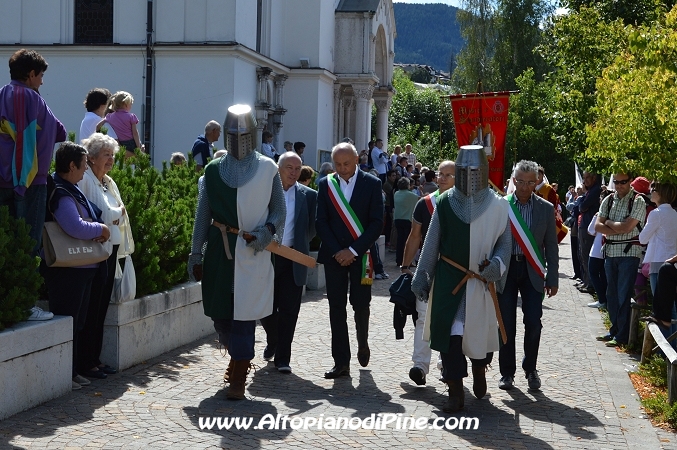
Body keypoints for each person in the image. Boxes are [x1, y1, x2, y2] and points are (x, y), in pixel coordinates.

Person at [188, 104, 286, 400]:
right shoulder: (214, 170)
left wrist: (266, 232)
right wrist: (196, 253)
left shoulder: (268, 168)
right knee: (221, 316)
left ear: (253, 135)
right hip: (220, 250)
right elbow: (202, 215)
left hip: (252, 251)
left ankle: (239, 377)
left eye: (243, 135)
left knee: (245, 317)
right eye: (233, 135)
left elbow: (279, 210)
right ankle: (237, 358)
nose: (238, 141)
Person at [412, 145, 511, 413]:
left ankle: (480, 369)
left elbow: (505, 243)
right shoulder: (444, 202)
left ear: (484, 172)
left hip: (480, 280)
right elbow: (431, 244)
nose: (470, 176)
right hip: (449, 280)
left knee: (479, 336)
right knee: (449, 336)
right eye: (464, 171)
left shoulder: (499, 205)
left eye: (474, 171)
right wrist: (422, 276)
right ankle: (455, 391)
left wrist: (497, 265)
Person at [0, 48, 67, 321]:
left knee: (3, 241)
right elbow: (60, 132)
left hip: (2, 179)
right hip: (32, 180)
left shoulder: (1, 95)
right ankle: (25, 305)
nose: (42, 81)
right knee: (28, 244)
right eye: (40, 76)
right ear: (31, 74)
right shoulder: (35, 100)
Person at [41, 142, 111, 390]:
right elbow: (74, 226)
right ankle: (67, 373)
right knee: (70, 322)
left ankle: (74, 370)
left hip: (82, 268)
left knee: (79, 323)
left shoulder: (70, 187)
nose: (85, 172)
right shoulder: (61, 191)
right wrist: (100, 229)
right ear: (71, 165)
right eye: (83, 166)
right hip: (69, 271)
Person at [316, 142, 384, 378]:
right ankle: (341, 361)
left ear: (357, 159)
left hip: (362, 255)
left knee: (361, 304)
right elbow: (321, 222)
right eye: (337, 164)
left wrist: (353, 250)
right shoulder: (326, 184)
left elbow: (377, 223)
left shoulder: (373, 184)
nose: (342, 168)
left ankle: (362, 342)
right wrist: (338, 251)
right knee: (336, 308)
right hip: (334, 256)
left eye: (346, 163)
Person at [497, 160, 559, 392]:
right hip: (507, 270)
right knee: (506, 324)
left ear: (537, 182)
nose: (524, 187)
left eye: (529, 182)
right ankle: (506, 373)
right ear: (513, 181)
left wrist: (552, 278)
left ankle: (530, 368)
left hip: (533, 270)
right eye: (520, 182)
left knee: (534, 322)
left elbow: (551, 246)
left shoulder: (545, 208)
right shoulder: (501, 206)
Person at [259, 152, 317, 373]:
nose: (294, 172)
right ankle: (274, 338)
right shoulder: (265, 192)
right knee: (264, 307)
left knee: (289, 310)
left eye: (297, 168)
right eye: (289, 168)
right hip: (267, 255)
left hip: (293, 257)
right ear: (278, 169)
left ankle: (283, 357)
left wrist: (297, 244)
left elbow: (311, 228)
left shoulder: (309, 196)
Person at [78, 133, 128, 380]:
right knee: (92, 308)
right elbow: (105, 216)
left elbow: (119, 215)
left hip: (111, 250)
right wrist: (117, 212)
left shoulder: (108, 182)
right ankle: (86, 362)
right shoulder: (86, 180)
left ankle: (95, 360)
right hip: (95, 252)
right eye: (106, 155)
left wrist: (115, 213)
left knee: (102, 309)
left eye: (112, 155)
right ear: (93, 157)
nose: (110, 160)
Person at [400, 160, 454, 386]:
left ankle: (447, 364)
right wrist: (405, 266)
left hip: (454, 270)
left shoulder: (466, 204)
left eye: (447, 175)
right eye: (440, 174)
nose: (441, 178)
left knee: (451, 319)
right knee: (423, 317)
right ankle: (420, 366)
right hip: (427, 267)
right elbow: (414, 236)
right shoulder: (424, 204)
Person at [594, 173, 646, 347]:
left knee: (624, 294)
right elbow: (597, 226)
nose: (619, 185)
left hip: (629, 253)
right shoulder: (608, 200)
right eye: (616, 182)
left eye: (623, 182)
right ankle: (614, 329)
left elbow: (628, 227)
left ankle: (622, 335)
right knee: (611, 293)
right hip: (610, 251)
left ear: (630, 181)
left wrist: (609, 223)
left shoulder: (638, 200)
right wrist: (618, 227)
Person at [639, 182, 677, 294]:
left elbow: (642, 239)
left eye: (653, 190)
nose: (650, 192)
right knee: (670, 302)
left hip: (658, 260)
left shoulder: (656, 213)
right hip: (672, 261)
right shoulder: (674, 213)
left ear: (660, 194)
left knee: (660, 302)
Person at [96, 91, 144, 156]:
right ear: (126, 104)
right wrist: (138, 148)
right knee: (139, 157)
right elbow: (135, 133)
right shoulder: (131, 116)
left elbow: (98, 126)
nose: (131, 106)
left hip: (122, 143)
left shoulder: (109, 116)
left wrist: (97, 131)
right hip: (132, 142)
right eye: (131, 104)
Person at [393, 177, 419, 267]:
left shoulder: (396, 193)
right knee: (407, 242)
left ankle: (399, 260)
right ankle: (407, 261)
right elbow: (421, 199)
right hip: (407, 220)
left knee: (400, 241)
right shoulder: (411, 195)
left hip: (397, 219)